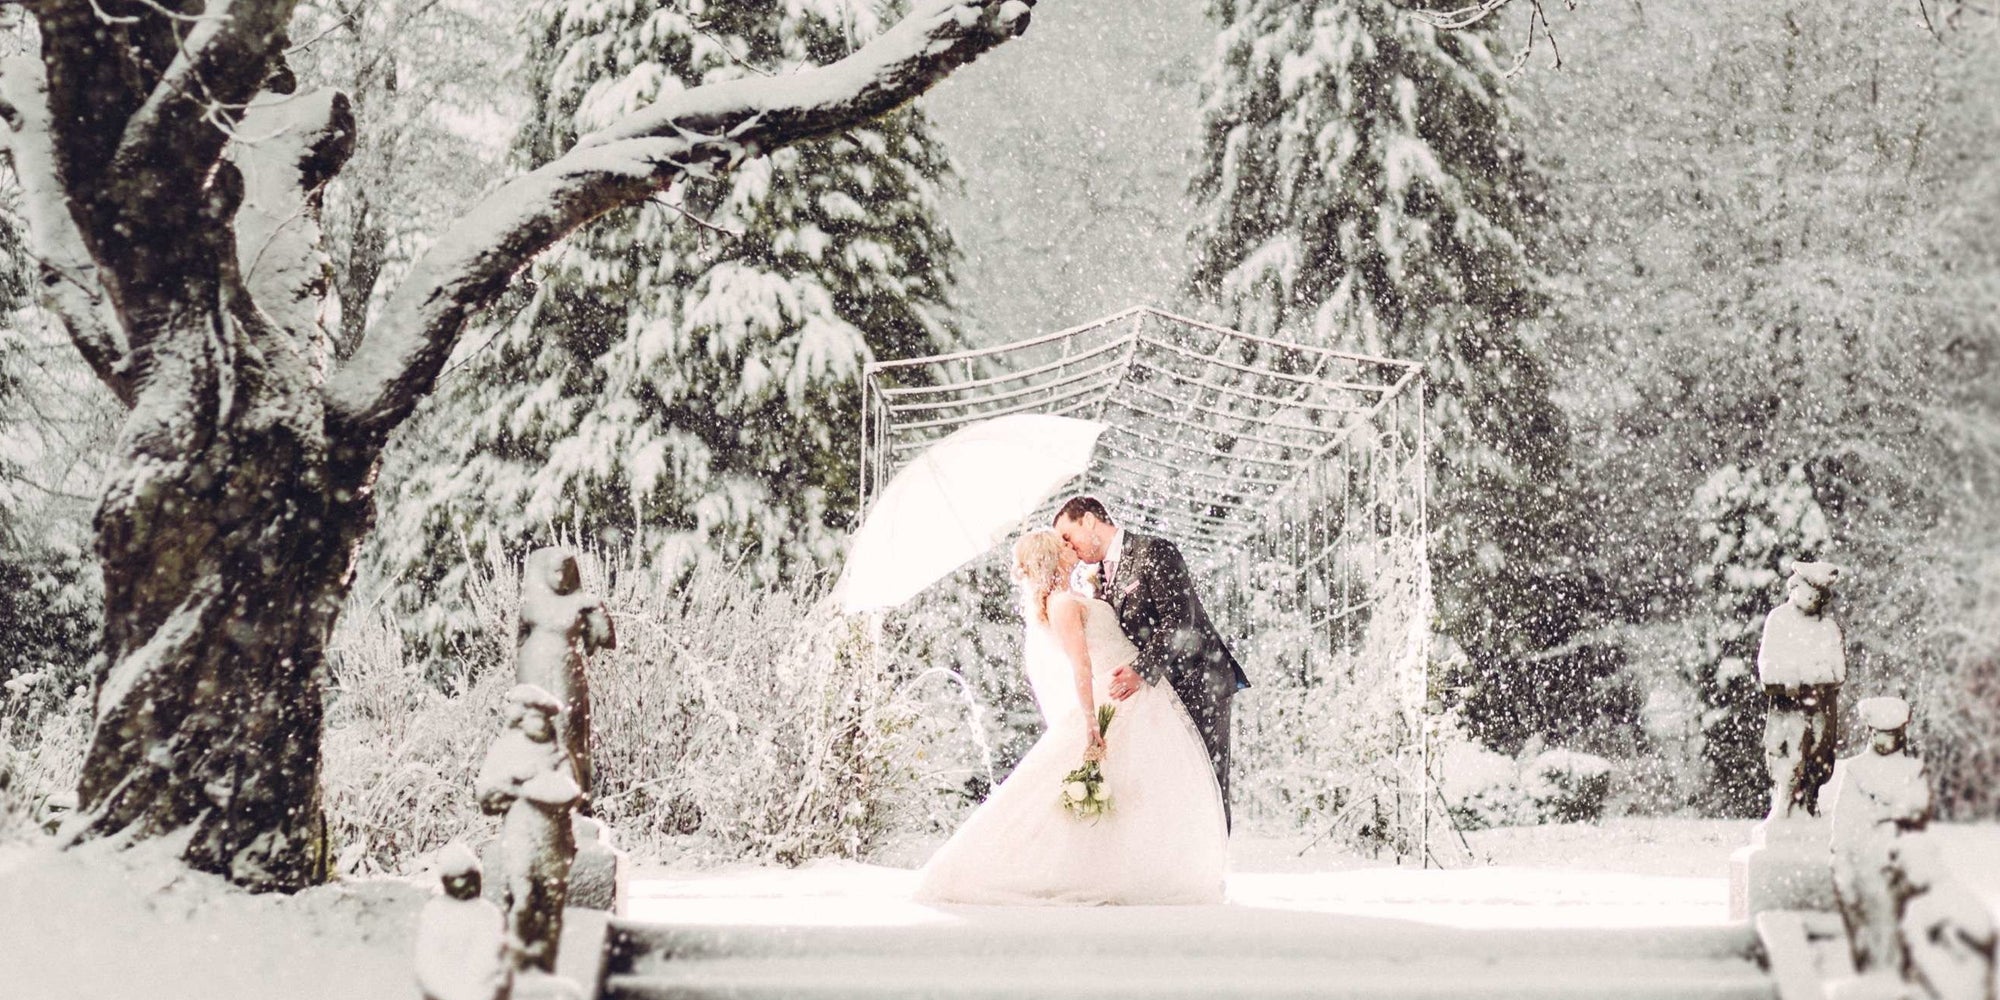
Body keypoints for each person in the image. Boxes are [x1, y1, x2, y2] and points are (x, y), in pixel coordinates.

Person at [913, 529, 1227, 905]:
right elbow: (1081, 665)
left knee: (1138, 785)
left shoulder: (1079, 594)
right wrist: (1091, 720)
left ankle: (1134, 869)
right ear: (1052, 557)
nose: (1070, 545)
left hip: (1136, 690)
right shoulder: (1062, 604)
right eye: (1062, 544)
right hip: (1115, 695)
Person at [1051, 496, 1250, 826]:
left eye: (1068, 537)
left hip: (1199, 682)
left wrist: (1140, 671)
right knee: (1174, 790)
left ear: (1088, 520)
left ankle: (1213, 857)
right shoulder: (1099, 579)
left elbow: (1179, 621)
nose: (1068, 547)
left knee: (1208, 787)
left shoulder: (1154, 551)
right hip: (1160, 697)